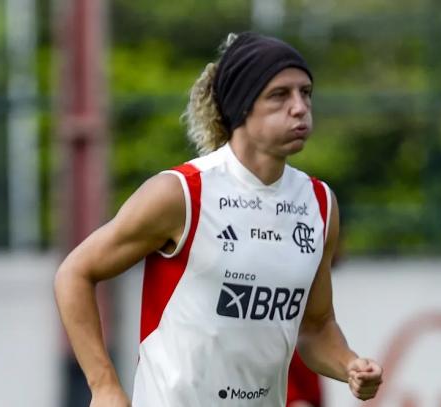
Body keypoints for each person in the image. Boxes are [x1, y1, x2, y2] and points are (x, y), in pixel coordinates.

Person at [54, 32, 383, 406]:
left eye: (305, 93)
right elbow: (74, 273)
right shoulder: (182, 193)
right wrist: (104, 385)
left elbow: (316, 327)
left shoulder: (319, 204)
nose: (299, 107)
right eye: (280, 95)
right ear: (239, 105)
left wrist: (350, 364)